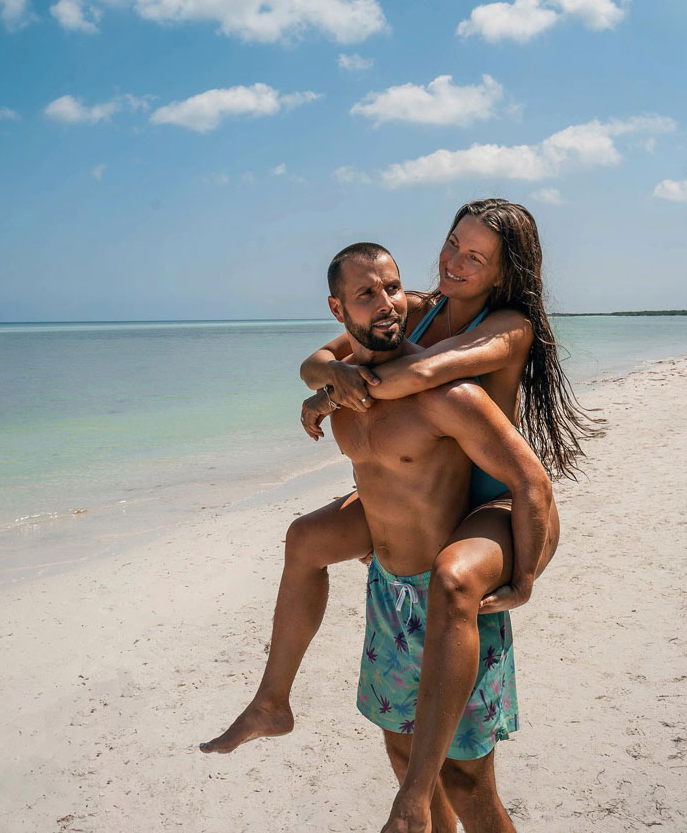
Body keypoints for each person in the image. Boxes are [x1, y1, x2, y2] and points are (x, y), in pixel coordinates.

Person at [201, 200, 593, 828]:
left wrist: (334, 390)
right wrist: (329, 373)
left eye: (475, 256)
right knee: (305, 539)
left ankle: (412, 801)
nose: (454, 262)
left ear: (501, 271)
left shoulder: (507, 325)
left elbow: (424, 374)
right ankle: (272, 701)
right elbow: (323, 358)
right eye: (451, 243)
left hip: (486, 502)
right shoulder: (415, 306)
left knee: (456, 592)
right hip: (420, 495)